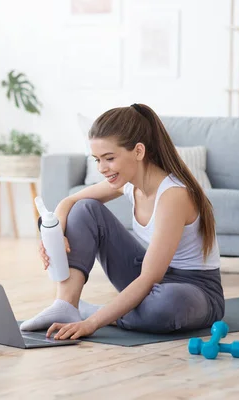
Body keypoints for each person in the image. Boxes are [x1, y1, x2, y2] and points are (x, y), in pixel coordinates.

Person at [20, 103, 225, 340]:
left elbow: (150, 277)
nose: (102, 168)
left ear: (138, 151)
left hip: (195, 291)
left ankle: (94, 311)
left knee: (165, 304)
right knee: (85, 208)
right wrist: (53, 237)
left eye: (109, 158)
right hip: (152, 279)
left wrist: (92, 323)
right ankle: (65, 306)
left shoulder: (173, 195)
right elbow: (70, 202)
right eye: (97, 159)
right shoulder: (129, 183)